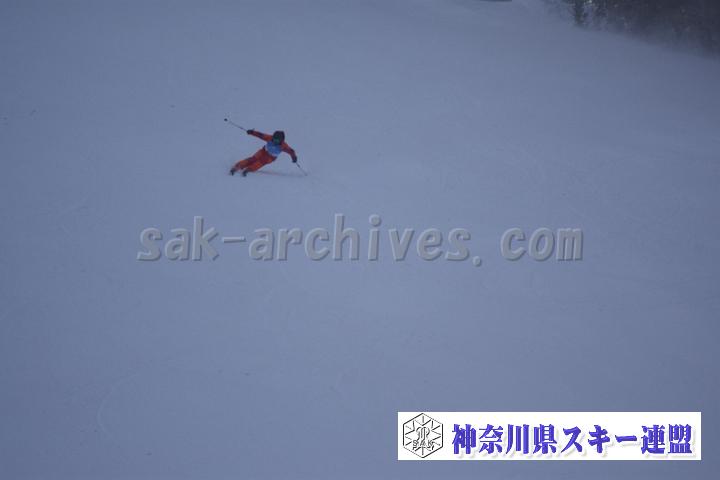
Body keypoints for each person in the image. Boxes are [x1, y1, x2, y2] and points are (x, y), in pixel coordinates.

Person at [230, 129, 298, 176]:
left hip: (271, 157)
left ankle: (250, 169)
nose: (275, 141)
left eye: (277, 141)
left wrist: (294, 157)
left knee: (260, 162)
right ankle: (238, 166)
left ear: (281, 140)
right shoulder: (269, 138)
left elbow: (291, 151)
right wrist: (252, 132)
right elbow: (260, 135)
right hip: (263, 151)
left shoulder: (283, 146)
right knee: (253, 159)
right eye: (274, 139)